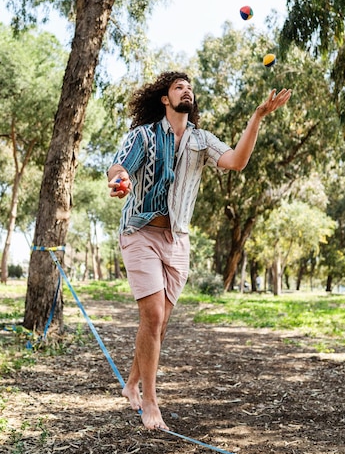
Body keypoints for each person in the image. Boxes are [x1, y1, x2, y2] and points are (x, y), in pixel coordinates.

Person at [107, 71, 291, 430]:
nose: (186, 91)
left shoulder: (201, 140)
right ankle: (150, 402)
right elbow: (119, 166)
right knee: (154, 317)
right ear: (165, 98)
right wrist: (119, 180)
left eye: (189, 88)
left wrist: (257, 118)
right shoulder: (143, 135)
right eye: (179, 87)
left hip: (178, 239)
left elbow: (236, 161)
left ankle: (131, 384)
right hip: (140, 232)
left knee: (157, 326)